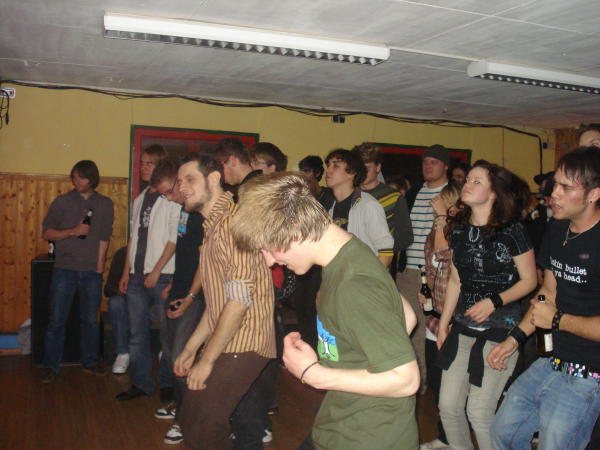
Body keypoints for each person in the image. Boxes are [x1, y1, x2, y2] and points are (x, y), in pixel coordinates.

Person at [230, 171, 419, 450]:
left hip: (368, 438)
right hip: (343, 421)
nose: (269, 261)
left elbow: (407, 381)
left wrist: (312, 373)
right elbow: (406, 316)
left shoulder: (355, 284)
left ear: (295, 230)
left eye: (269, 248)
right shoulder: (349, 251)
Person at [489, 147, 600, 450]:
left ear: (593, 194)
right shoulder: (558, 227)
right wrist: (515, 338)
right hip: (552, 358)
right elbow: (547, 292)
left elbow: (553, 314)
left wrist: (558, 320)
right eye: (555, 184)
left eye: (566, 187)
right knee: (503, 433)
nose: (554, 194)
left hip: (589, 373)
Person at [173, 153, 275, 450]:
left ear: (214, 179)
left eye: (190, 179)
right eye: (179, 181)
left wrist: (206, 360)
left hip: (245, 342)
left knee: (202, 428)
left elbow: (239, 301)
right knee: (193, 420)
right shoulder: (213, 227)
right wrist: (191, 348)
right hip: (230, 339)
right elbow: (217, 302)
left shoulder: (232, 223)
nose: (182, 187)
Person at [436, 161, 537, 450]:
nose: (467, 185)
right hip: (463, 327)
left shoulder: (512, 231)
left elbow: (531, 281)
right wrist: (443, 324)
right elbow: (456, 281)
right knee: (448, 407)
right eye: (467, 180)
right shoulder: (459, 230)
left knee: (479, 413)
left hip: (501, 330)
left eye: (476, 181)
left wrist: (494, 302)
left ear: (494, 193)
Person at [116, 145, 181, 401]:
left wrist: (156, 271)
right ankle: (141, 383)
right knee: (137, 334)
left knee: (168, 335)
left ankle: (167, 384)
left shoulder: (171, 198)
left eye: (148, 163)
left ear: (160, 166)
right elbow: (133, 238)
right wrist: (126, 271)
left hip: (162, 276)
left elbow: (173, 239)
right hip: (136, 275)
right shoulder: (140, 199)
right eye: (141, 163)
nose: (142, 168)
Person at [40, 160, 114, 383]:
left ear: (92, 179)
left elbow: (104, 237)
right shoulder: (62, 202)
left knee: (91, 321)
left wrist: (100, 265)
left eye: (81, 177)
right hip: (65, 269)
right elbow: (47, 233)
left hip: (91, 271)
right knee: (56, 321)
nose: (77, 181)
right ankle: (51, 366)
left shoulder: (104, 204)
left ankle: (90, 362)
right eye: (74, 177)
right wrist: (72, 231)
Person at [150, 157, 206, 445]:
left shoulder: (202, 214)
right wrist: (174, 283)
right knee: (172, 354)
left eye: (169, 191)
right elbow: (185, 254)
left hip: (194, 297)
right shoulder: (184, 210)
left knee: (184, 358)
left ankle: (185, 419)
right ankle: (180, 407)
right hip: (178, 290)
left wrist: (189, 297)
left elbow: (204, 262)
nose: (169, 197)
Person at [398, 144, 450, 392]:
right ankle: (413, 379)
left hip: (437, 273)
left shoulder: (451, 195)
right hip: (408, 270)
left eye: (434, 162)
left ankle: (424, 381)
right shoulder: (415, 193)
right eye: (425, 162)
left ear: (445, 166)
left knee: (428, 329)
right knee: (408, 326)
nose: (428, 166)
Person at [418, 181, 461, 450]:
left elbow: (445, 256)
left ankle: (452, 439)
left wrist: (442, 217)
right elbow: (432, 268)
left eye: (444, 201)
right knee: (435, 381)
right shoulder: (436, 232)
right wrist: (426, 291)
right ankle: (445, 437)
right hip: (434, 318)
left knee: (451, 388)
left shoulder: (462, 234)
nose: (437, 205)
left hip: (454, 320)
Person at [353, 142, 414, 278]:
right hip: (349, 265)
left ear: (378, 167)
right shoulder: (348, 194)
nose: (363, 172)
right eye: (359, 168)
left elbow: (406, 237)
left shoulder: (394, 197)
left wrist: (381, 248)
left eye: (367, 168)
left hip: (378, 268)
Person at [324, 148, 394, 266]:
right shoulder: (331, 209)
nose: (328, 170)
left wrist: (368, 276)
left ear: (351, 173)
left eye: (335, 166)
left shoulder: (368, 206)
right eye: (328, 165)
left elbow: (385, 252)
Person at [104, 246, 129, 374]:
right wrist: (121, 290)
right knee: (115, 303)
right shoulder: (122, 254)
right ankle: (122, 353)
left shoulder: (159, 251)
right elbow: (108, 289)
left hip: (149, 301)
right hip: (126, 299)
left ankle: (165, 352)